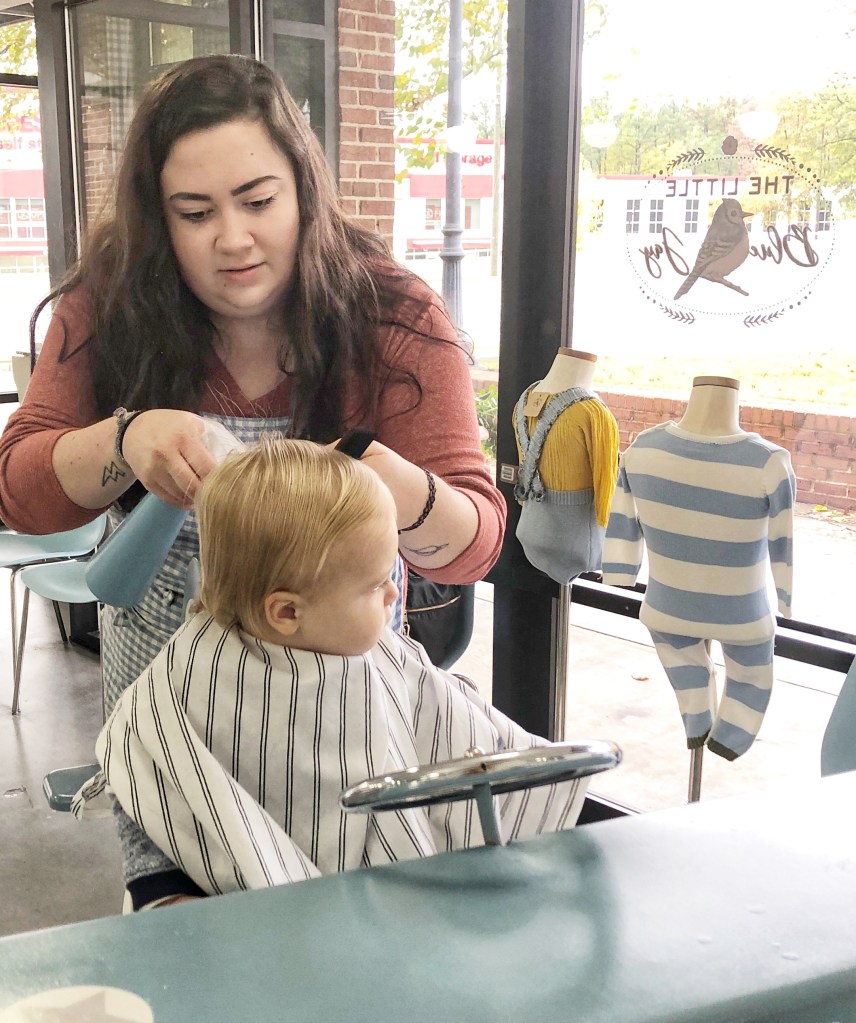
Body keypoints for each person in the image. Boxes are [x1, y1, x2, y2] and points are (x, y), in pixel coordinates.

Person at [0, 54, 505, 906]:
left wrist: (385, 477)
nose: (232, 239)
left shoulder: (394, 316)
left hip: (344, 724)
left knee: (349, 928)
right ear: (159, 222)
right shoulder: (110, 310)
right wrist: (129, 437)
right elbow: (19, 487)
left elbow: (474, 545)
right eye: (195, 213)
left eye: (259, 202)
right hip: (173, 728)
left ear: (305, 191)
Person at [74, 438, 587, 903]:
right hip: (241, 925)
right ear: (288, 612)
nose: (394, 595)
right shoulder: (181, 684)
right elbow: (145, 782)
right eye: (376, 584)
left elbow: (473, 735)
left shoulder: (382, 655)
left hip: (394, 901)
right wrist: (161, 893)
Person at [601, 376, 796, 761]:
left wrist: (620, 575)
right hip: (744, 617)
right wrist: (785, 600)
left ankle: (697, 723)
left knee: (688, 674)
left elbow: (621, 520)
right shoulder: (769, 463)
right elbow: (783, 543)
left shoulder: (643, 450)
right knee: (751, 678)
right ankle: (729, 741)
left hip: (666, 610)